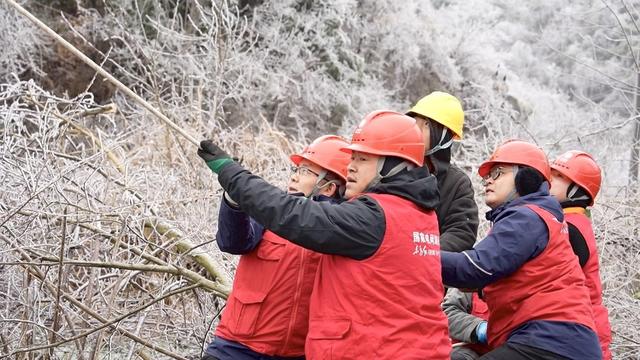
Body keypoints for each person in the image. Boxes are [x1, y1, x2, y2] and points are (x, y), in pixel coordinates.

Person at [198, 110, 451, 359]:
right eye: (352, 159)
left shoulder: (368, 217)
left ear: (395, 164)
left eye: (363, 160)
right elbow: (238, 238)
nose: (351, 167)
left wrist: (234, 176)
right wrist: (235, 197)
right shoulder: (419, 216)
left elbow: (293, 215)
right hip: (239, 347)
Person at [440, 140, 602, 360]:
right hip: (558, 341)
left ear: (526, 179)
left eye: (498, 172)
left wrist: (418, 254)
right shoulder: (541, 217)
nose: (487, 179)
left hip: (550, 341)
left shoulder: (526, 217)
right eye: (487, 175)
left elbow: (477, 267)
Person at [202, 135, 350, 360]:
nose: (294, 176)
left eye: (305, 171)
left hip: (299, 353)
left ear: (329, 187)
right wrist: (234, 198)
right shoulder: (273, 209)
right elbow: (232, 242)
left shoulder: (342, 227)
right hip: (237, 347)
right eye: (296, 169)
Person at [550, 150, 612, 360]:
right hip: (583, 328)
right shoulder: (572, 223)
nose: (550, 179)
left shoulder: (571, 229)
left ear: (577, 189)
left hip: (579, 331)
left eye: (559, 176)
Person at [407, 91, 478, 252]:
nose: (416, 130)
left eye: (425, 124)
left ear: (444, 135)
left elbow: (462, 231)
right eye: (413, 122)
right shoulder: (393, 167)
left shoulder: (457, 183)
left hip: (426, 269)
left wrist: (424, 253)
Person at [442, 288, 491, 359]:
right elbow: (447, 313)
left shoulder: (511, 288)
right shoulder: (468, 280)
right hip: (468, 352)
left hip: (505, 351)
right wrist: (477, 328)